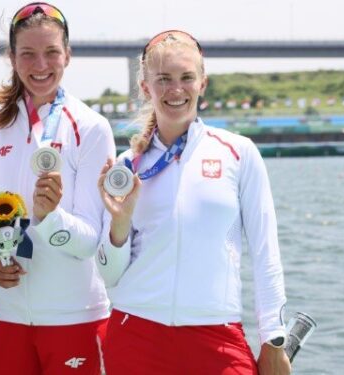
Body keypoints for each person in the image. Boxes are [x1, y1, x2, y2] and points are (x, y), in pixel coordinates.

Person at [96, 30, 290, 375]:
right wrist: (119, 225)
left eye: (186, 77)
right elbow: (108, 276)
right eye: (163, 79)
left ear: (203, 83)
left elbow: (266, 254)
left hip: (216, 336)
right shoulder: (126, 168)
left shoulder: (238, 153)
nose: (175, 90)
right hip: (135, 334)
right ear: (145, 87)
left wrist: (273, 338)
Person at [0, 2, 115, 374]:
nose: (40, 65)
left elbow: (90, 243)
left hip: (75, 317)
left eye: (51, 52)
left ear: (68, 54)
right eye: (28, 54)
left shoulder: (91, 128)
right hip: (6, 315)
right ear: (11, 57)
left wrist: (51, 218)